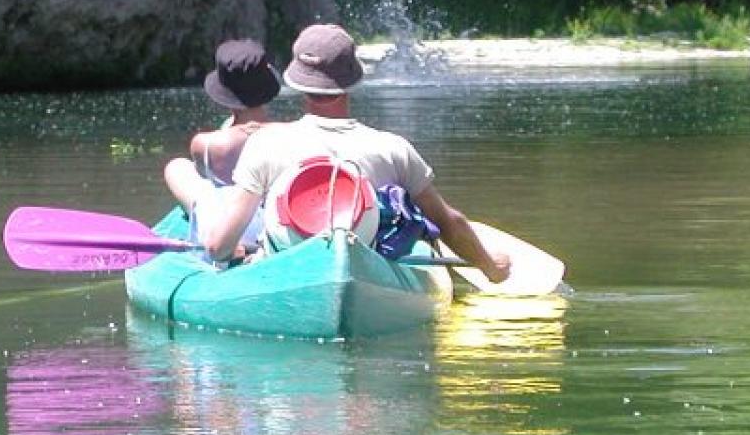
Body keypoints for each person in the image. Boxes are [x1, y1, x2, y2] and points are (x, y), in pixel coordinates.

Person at [199, 23, 511, 283]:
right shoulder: (393, 149)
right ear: (351, 80)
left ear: (297, 81)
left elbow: (217, 246)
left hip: (286, 274)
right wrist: (490, 266)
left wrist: (230, 251)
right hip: (368, 276)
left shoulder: (266, 143)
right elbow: (448, 222)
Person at [162, 38, 281, 247]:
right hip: (273, 227)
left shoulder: (207, 144)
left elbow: (205, 177)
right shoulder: (287, 134)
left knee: (177, 166)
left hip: (225, 230)